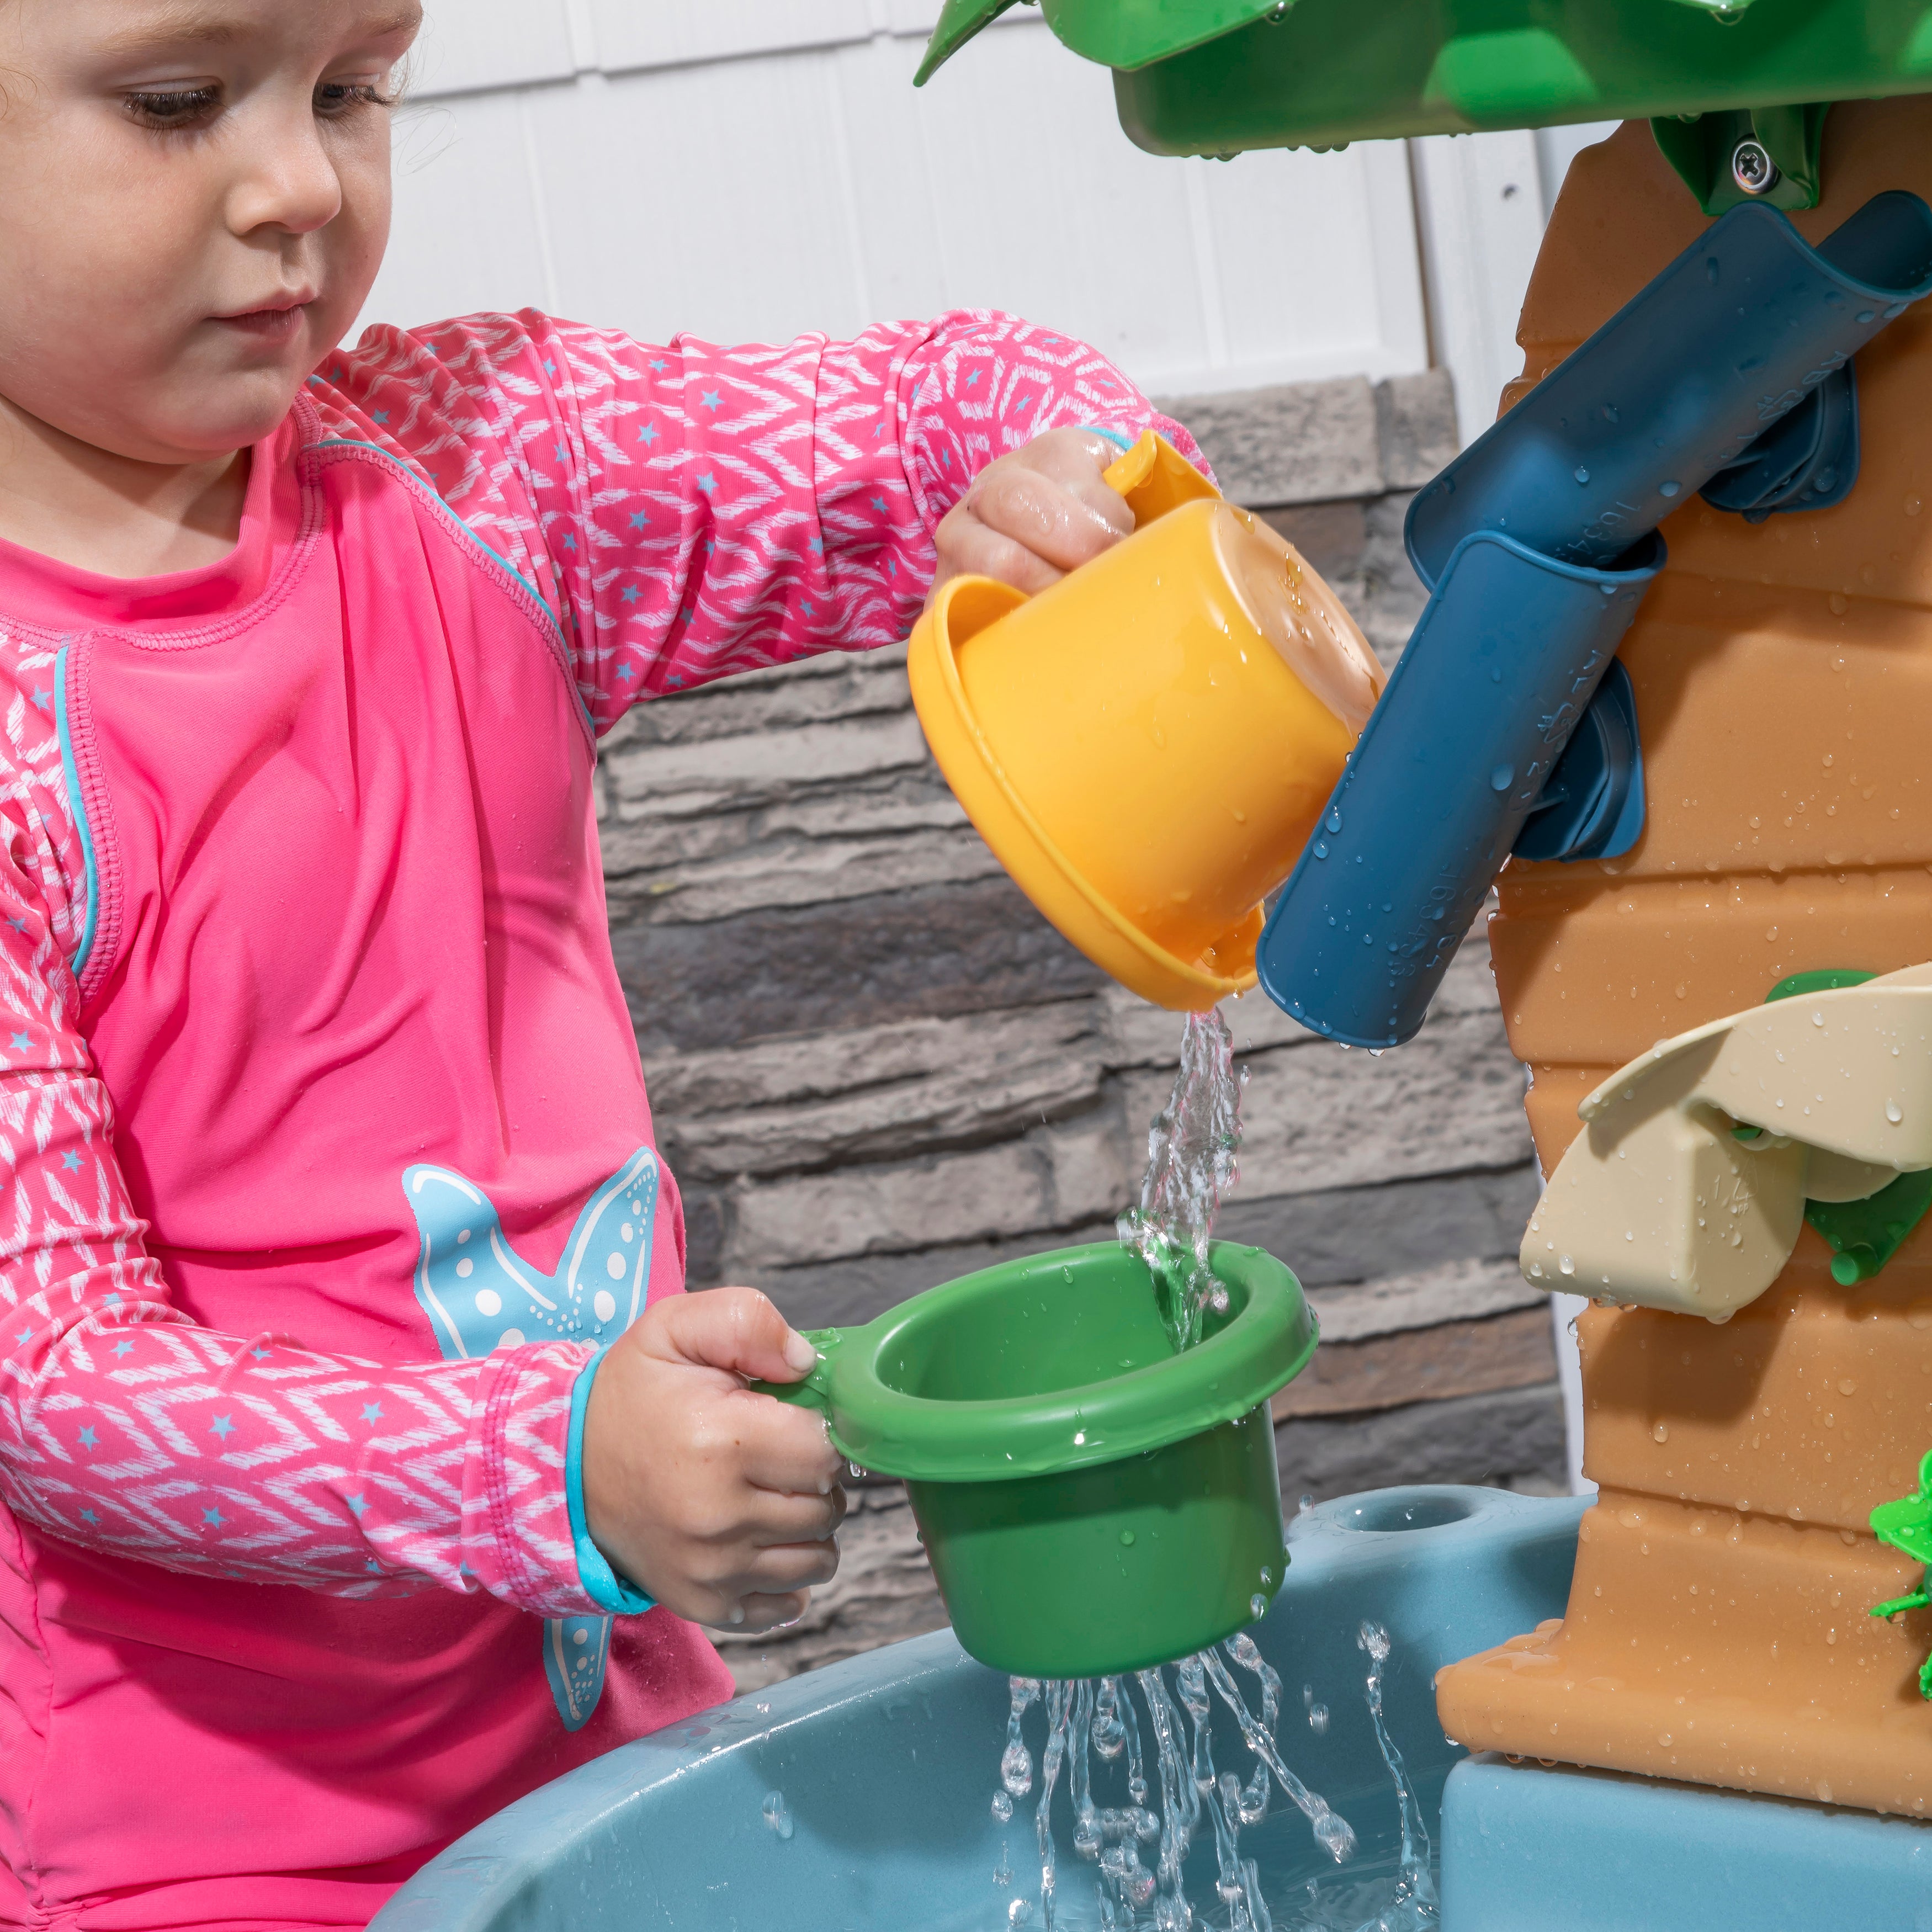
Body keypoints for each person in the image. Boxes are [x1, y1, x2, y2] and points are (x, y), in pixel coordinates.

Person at [0, 1, 1206, 1924]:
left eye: (351, 89)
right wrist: (556, 1462)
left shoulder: (484, 471)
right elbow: (56, 1385)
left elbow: (957, 395)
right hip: (225, 1854)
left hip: (626, 1760)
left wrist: (1088, 499)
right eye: (173, 102)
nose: (305, 180)